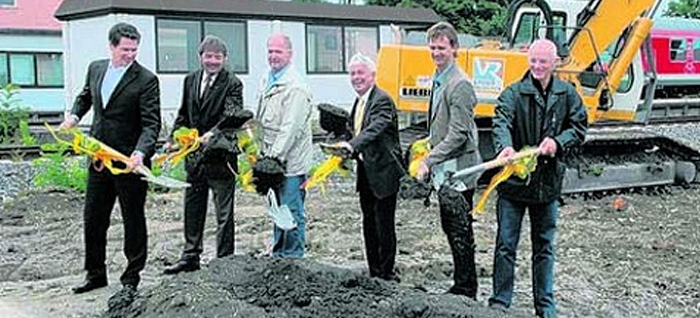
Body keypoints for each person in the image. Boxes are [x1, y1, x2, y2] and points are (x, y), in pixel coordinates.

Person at [59, 22, 161, 306]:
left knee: (133, 221)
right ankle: (95, 274)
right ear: (112, 46)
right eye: (125, 49)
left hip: (129, 162)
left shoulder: (146, 80)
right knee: (93, 218)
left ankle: (131, 279)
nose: (130, 54)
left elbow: (152, 124)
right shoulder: (96, 68)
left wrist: (141, 153)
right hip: (99, 159)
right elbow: (85, 97)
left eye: (134, 49)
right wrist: (74, 117)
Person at [488, 39, 587, 318]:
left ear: (554, 62)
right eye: (533, 60)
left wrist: (558, 142)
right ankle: (500, 302)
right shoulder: (513, 93)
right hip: (514, 186)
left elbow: (578, 127)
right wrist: (505, 147)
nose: (537, 66)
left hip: (547, 186)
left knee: (544, 246)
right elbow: (501, 121)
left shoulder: (567, 95)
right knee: (506, 244)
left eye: (543, 61)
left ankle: (545, 306)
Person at [163, 36, 244, 275]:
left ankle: (225, 261)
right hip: (194, 159)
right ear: (200, 57)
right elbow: (183, 114)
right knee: (193, 208)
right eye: (208, 56)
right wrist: (173, 138)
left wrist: (213, 133)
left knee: (224, 213)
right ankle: (190, 256)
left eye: (217, 57)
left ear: (224, 59)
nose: (212, 61)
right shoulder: (190, 80)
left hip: (221, 158)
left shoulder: (233, 83)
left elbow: (233, 116)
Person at [415, 21, 481, 299]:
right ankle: (461, 282)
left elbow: (458, 134)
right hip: (445, 168)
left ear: (454, 48)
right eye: (432, 47)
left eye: (441, 47)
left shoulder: (460, 84)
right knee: (449, 226)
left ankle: (466, 289)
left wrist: (429, 160)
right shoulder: (439, 77)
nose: (436, 52)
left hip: (460, 170)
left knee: (459, 230)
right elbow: (440, 125)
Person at [338, 53, 403, 281]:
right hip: (366, 172)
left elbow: (373, 130)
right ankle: (373, 270)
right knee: (368, 223)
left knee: (383, 225)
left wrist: (351, 145)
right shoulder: (360, 101)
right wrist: (341, 147)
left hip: (384, 173)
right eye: (353, 73)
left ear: (372, 75)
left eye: (360, 73)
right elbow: (355, 130)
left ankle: (386, 273)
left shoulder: (382, 100)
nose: (356, 77)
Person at [256, 33, 313, 258]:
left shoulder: (295, 87)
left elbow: (289, 129)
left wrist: (272, 160)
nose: (273, 56)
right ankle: (279, 255)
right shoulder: (267, 79)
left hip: (289, 165)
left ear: (290, 54)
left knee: (290, 212)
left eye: (278, 51)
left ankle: (293, 258)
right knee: (277, 209)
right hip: (272, 161)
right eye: (270, 51)